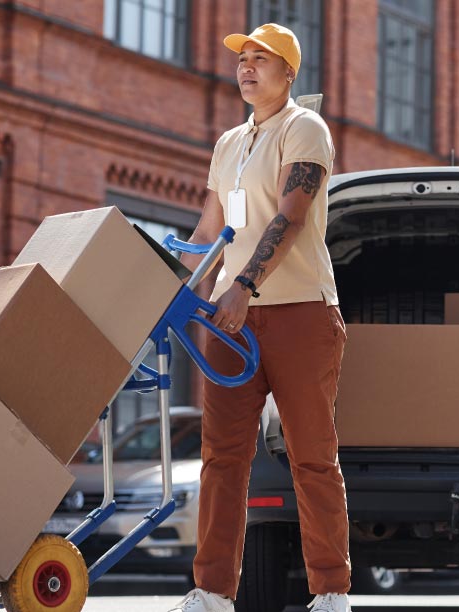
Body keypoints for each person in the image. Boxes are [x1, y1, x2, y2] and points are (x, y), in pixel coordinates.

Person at [169, 22, 351, 612]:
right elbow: (207, 233)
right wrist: (166, 280)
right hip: (228, 319)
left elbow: (291, 217)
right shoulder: (228, 144)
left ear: (289, 72)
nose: (246, 68)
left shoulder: (306, 130)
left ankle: (330, 591)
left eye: (261, 59)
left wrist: (245, 284)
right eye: (242, 59)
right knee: (221, 458)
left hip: (299, 314)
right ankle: (212, 591)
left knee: (312, 457)